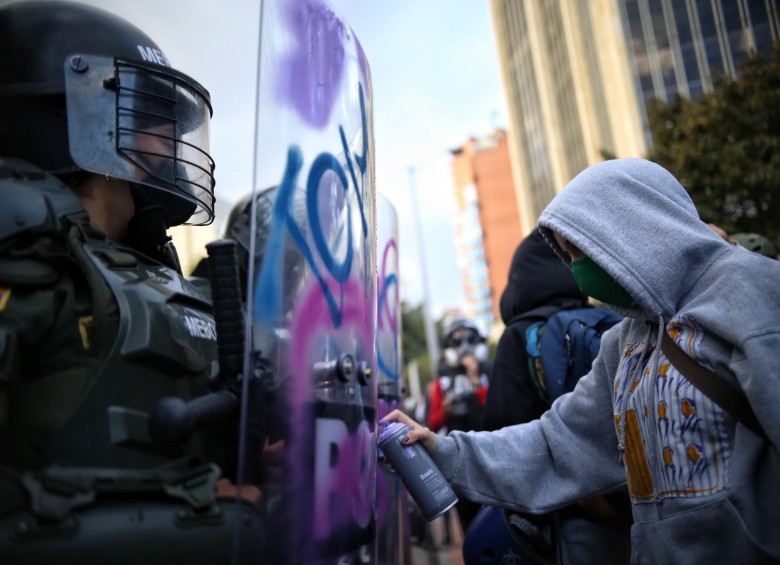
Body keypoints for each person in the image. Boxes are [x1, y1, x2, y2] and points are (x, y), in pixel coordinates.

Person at [385, 158, 780, 563]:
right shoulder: (622, 344)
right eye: (569, 255)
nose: (577, 270)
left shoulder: (753, 292)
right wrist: (445, 450)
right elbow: (554, 444)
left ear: (626, 229)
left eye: (582, 251)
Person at [0, 2, 263, 562]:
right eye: (146, 111)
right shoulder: (22, 251)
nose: (173, 135)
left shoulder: (153, 269)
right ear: (72, 111)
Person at [474, 228, 631, 563]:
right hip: (630, 505)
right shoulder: (611, 321)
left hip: (565, 511)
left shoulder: (521, 334)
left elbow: (501, 430)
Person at [427, 318, 489, 533]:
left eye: (469, 337)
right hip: (459, 459)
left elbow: (496, 410)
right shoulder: (442, 377)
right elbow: (432, 422)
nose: (464, 345)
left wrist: (474, 378)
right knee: (470, 524)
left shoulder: (489, 370)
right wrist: (445, 410)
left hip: (489, 450)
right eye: (458, 338)